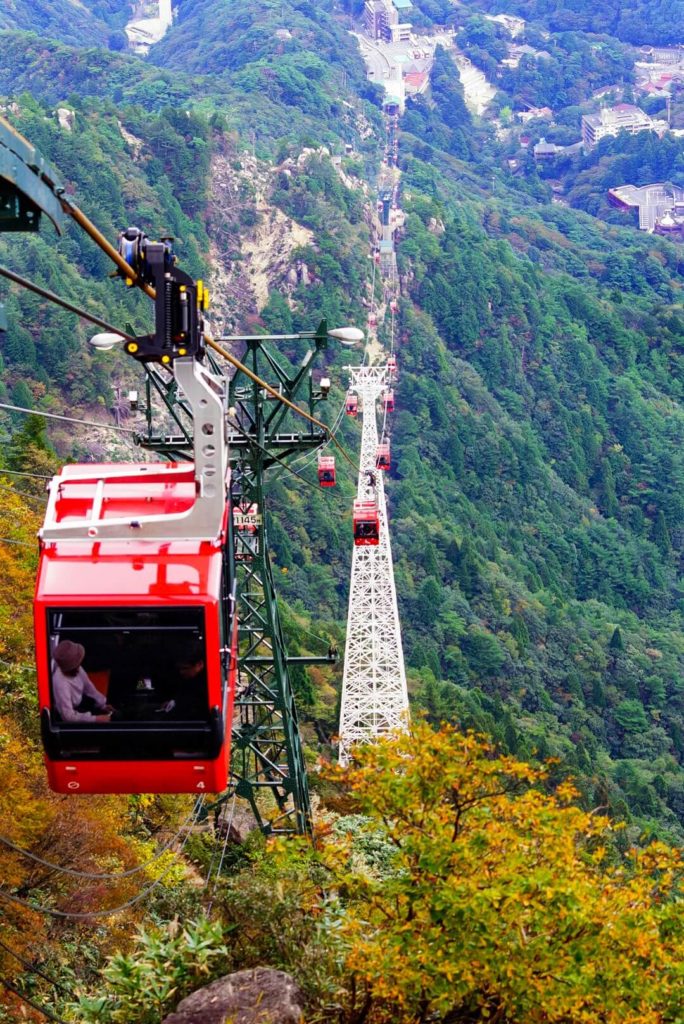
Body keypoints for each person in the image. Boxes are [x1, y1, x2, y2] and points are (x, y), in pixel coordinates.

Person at [52, 640, 114, 723]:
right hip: (69, 719)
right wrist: (96, 719)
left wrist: (102, 705)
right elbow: (68, 717)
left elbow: (89, 688)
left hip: (80, 707)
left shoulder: (78, 669)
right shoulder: (60, 683)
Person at [155, 642, 207, 720]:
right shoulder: (188, 679)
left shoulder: (205, 685)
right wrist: (173, 702)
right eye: (180, 669)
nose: (181, 672)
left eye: (185, 668)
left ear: (199, 664)